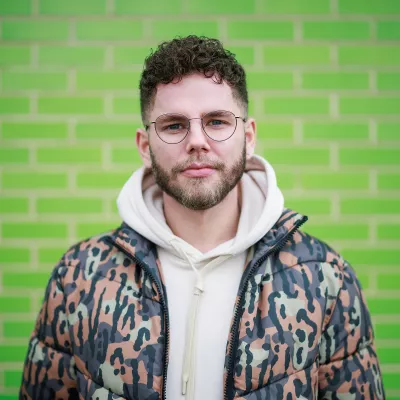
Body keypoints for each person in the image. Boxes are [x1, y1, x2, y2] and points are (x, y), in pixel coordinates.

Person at [20, 36, 384, 400]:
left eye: (217, 121)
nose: (197, 140)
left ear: (249, 136)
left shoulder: (324, 277)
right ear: (145, 147)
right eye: (174, 125)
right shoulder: (79, 277)